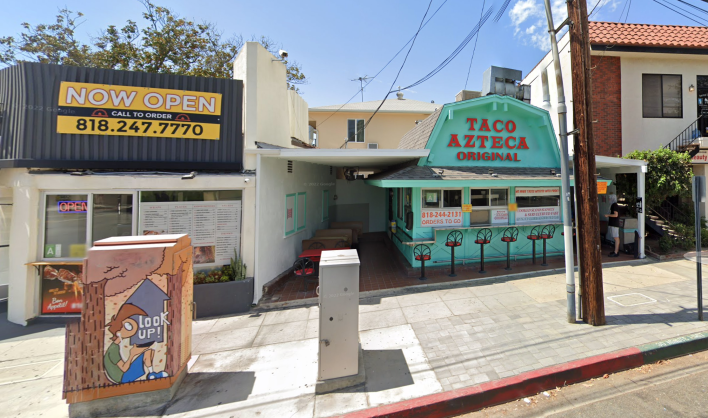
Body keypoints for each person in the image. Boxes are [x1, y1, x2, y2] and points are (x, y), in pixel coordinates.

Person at [104, 303, 168, 384]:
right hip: (122, 378)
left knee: (149, 350)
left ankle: (152, 374)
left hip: (124, 375)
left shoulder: (116, 346)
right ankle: (151, 374)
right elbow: (124, 369)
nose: (132, 331)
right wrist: (132, 355)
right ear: (118, 331)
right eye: (128, 326)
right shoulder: (113, 349)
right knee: (147, 352)